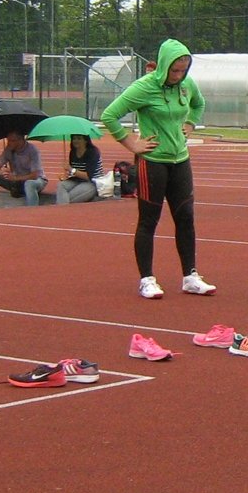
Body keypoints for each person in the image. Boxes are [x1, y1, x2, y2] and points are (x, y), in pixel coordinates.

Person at [101, 39, 216, 299]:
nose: (179, 76)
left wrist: (191, 124)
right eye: (174, 70)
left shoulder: (187, 85)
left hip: (180, 160)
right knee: (148, 221)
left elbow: (199, 104)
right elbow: (109, 115)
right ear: (164, 66)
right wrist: (132, 143)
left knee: (185, 217)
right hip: (153, 162)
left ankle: (190, 276)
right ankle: (147, 279)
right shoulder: (143, 88)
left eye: (183, 70)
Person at [0, 129, 48, 209]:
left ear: (21, 140)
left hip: (35, 181)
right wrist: (2, 172)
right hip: (16, 182)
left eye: (12, 141)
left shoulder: (32, 150)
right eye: (8, 140)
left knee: (29, 184)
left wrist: (15, 178)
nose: (9, 143)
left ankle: (31, 210)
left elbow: (35, 175)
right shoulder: (9, 150)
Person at [56, 134, 103, 204]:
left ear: (86, 141)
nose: (76, 141)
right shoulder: (73, 152)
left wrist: (71, 170)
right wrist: (67, 175)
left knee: (68, 198)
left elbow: (88, 176)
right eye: (74, 139)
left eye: (79, 139)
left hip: (92, 183)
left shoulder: (93, 152)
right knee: (61, 185)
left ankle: (62, 209)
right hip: (77, 180)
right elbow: (74, 172)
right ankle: (62, 208)